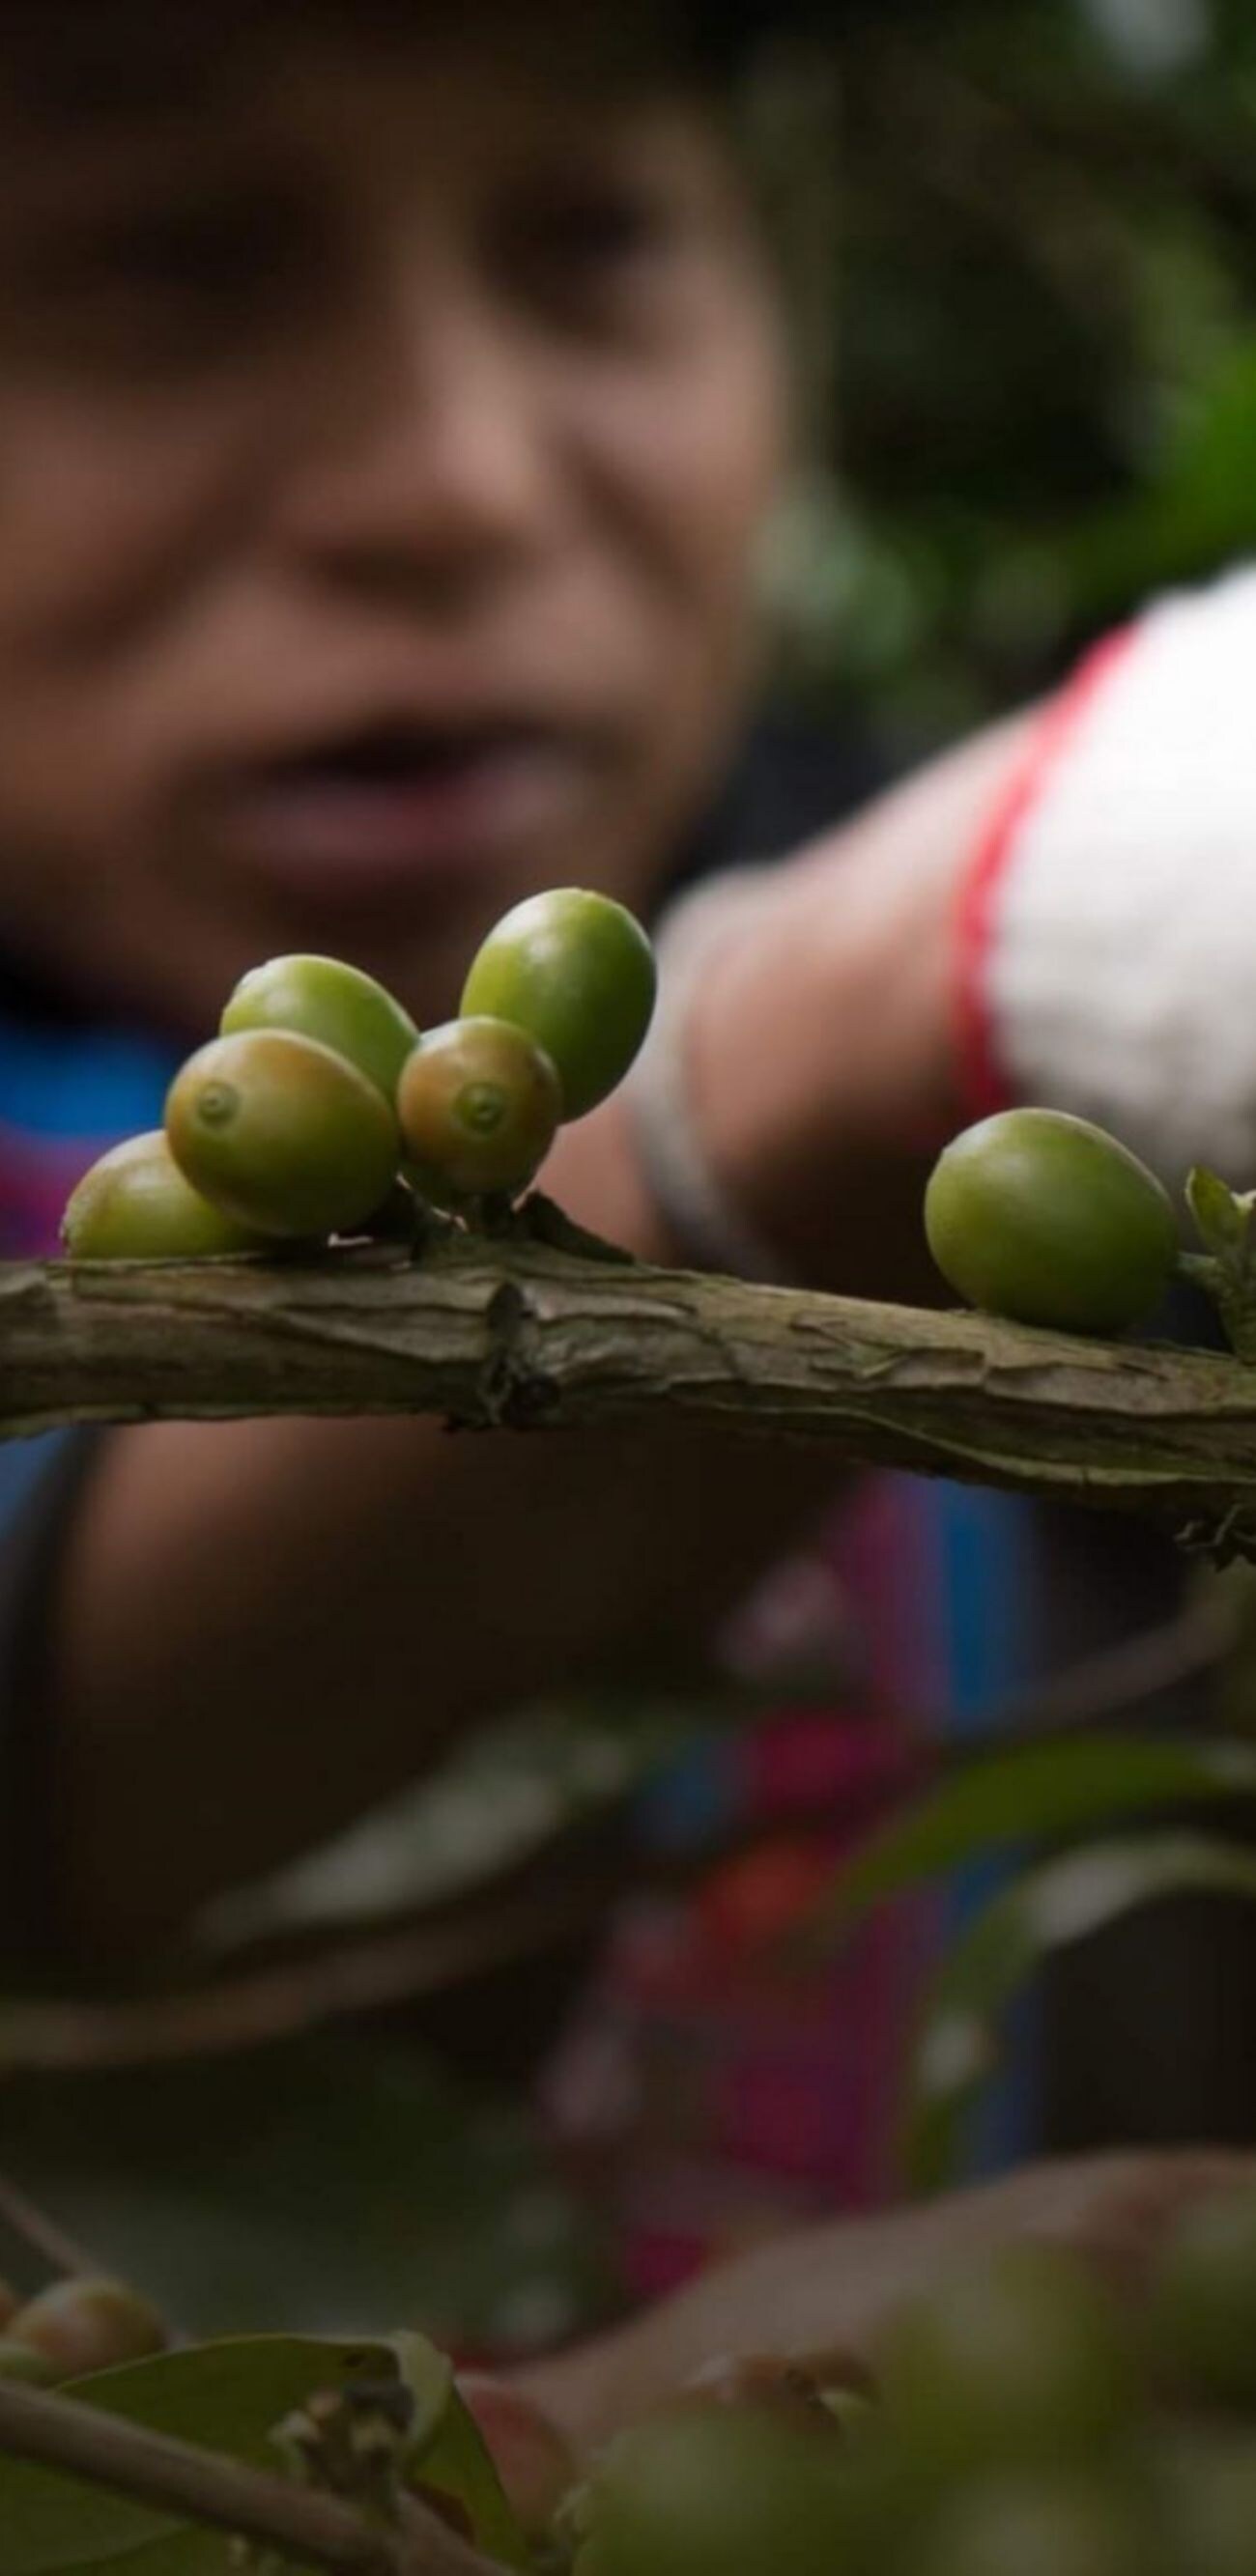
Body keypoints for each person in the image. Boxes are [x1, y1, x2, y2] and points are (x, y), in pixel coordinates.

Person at [1, 0, 1253, 2397]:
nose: (452, 479)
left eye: (589, 242)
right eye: (162, 269)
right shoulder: (928, 975)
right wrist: (880, 1004)